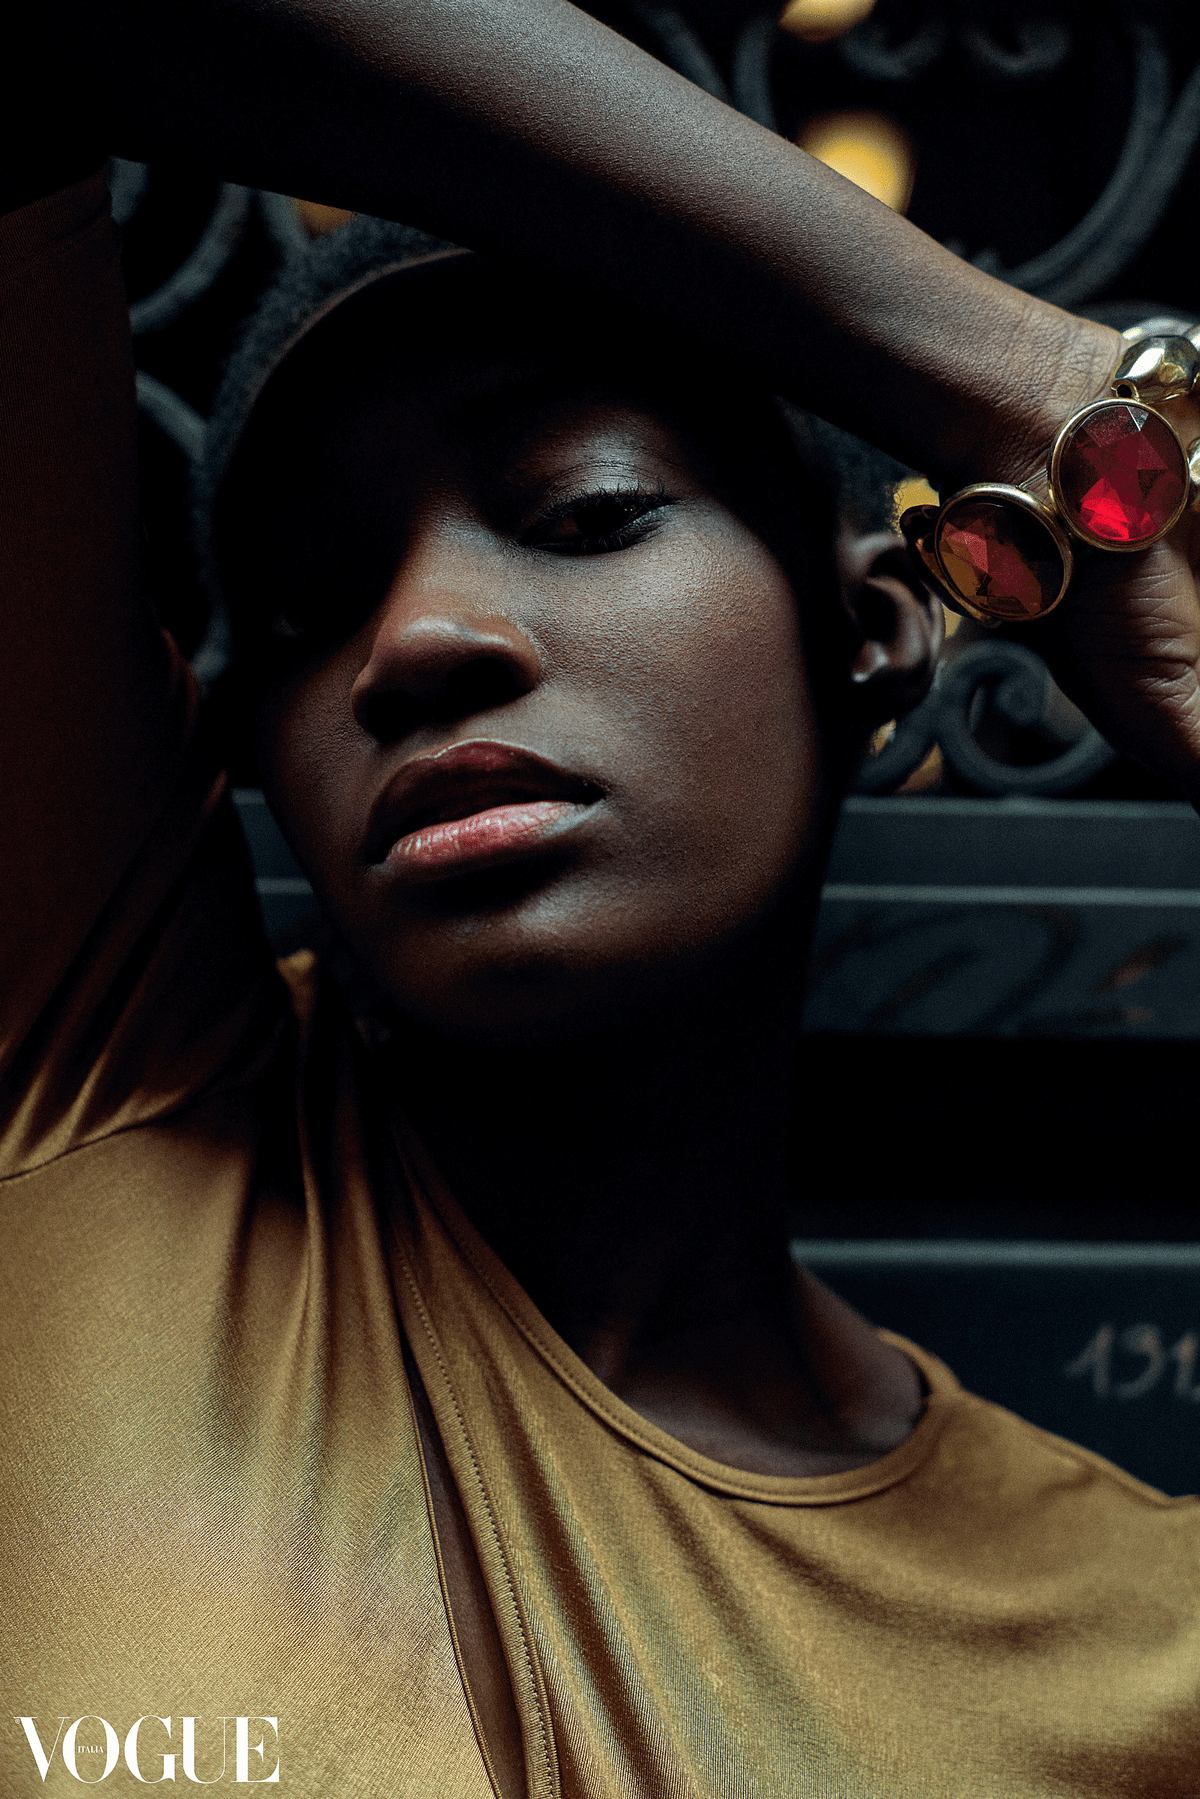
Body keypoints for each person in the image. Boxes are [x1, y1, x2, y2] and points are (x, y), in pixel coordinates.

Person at [3, 5, 1200, 1795]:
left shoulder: (1144, 1647)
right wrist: (1017, 378)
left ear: (873, 628)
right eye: (312, 604)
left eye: (583, 513)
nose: (412, 643)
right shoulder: (98, 1107)